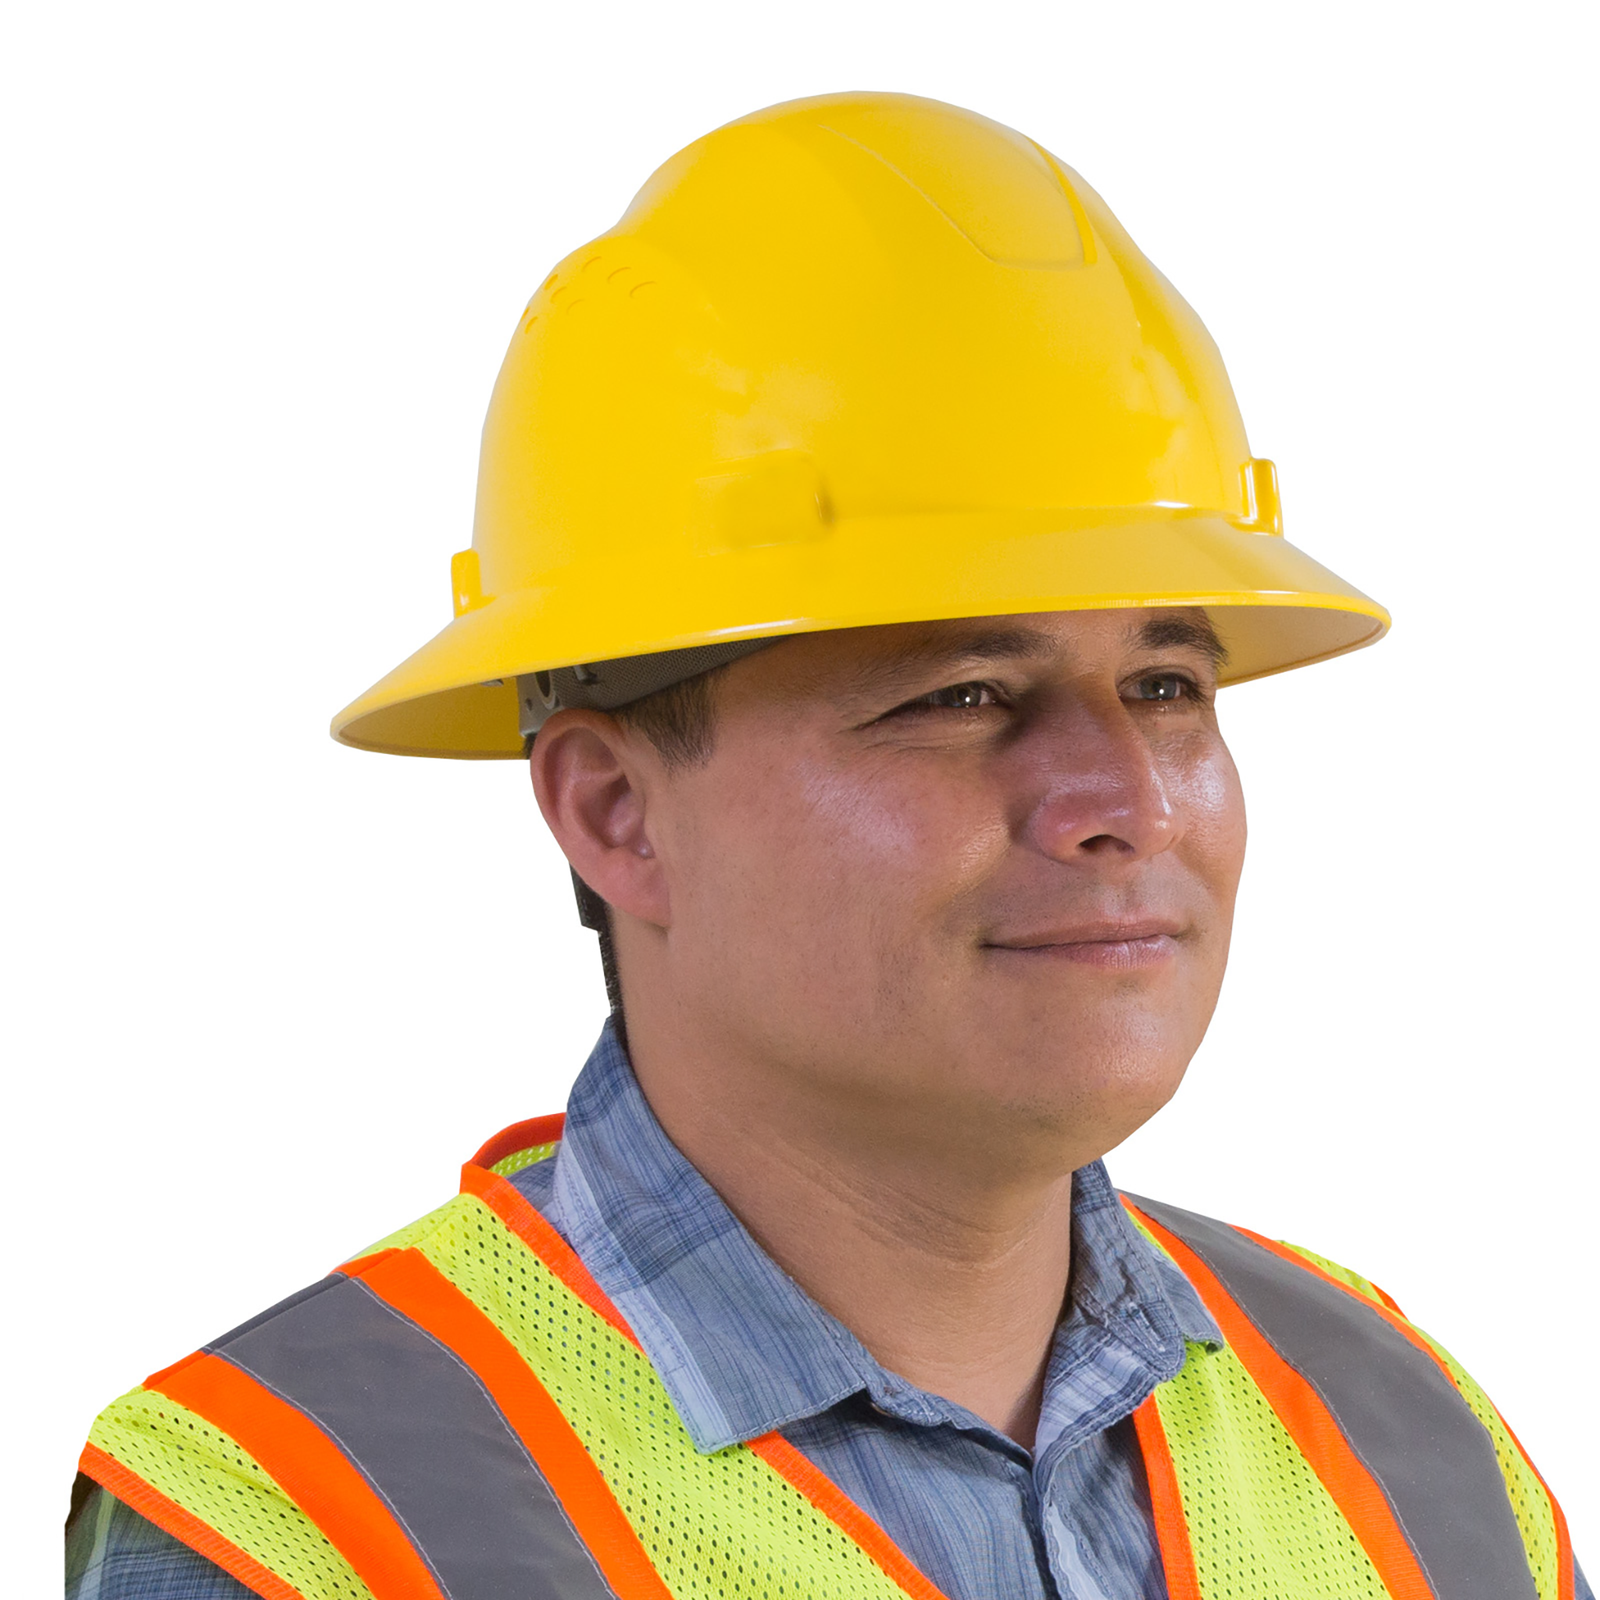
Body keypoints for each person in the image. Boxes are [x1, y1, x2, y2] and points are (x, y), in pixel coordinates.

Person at [66, 91, 1586, 1600]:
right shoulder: (311, 1526)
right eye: (964, 695)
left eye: (1167, 686)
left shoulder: (1414, 1460)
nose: (1121, 794)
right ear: (615, 812)